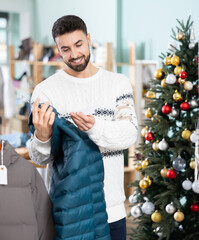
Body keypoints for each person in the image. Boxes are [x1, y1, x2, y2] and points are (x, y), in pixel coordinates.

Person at [29, 15, 138, 240]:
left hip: (112, 209)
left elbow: (129, 134)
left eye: (79, 45)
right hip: (68, 212)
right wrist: (41, 136)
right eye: (66, 49)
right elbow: (39, 158)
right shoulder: (45, 91)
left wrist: (95, 127)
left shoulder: (118, 83)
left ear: (89, 39)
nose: (75, 54)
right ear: (58, 49)